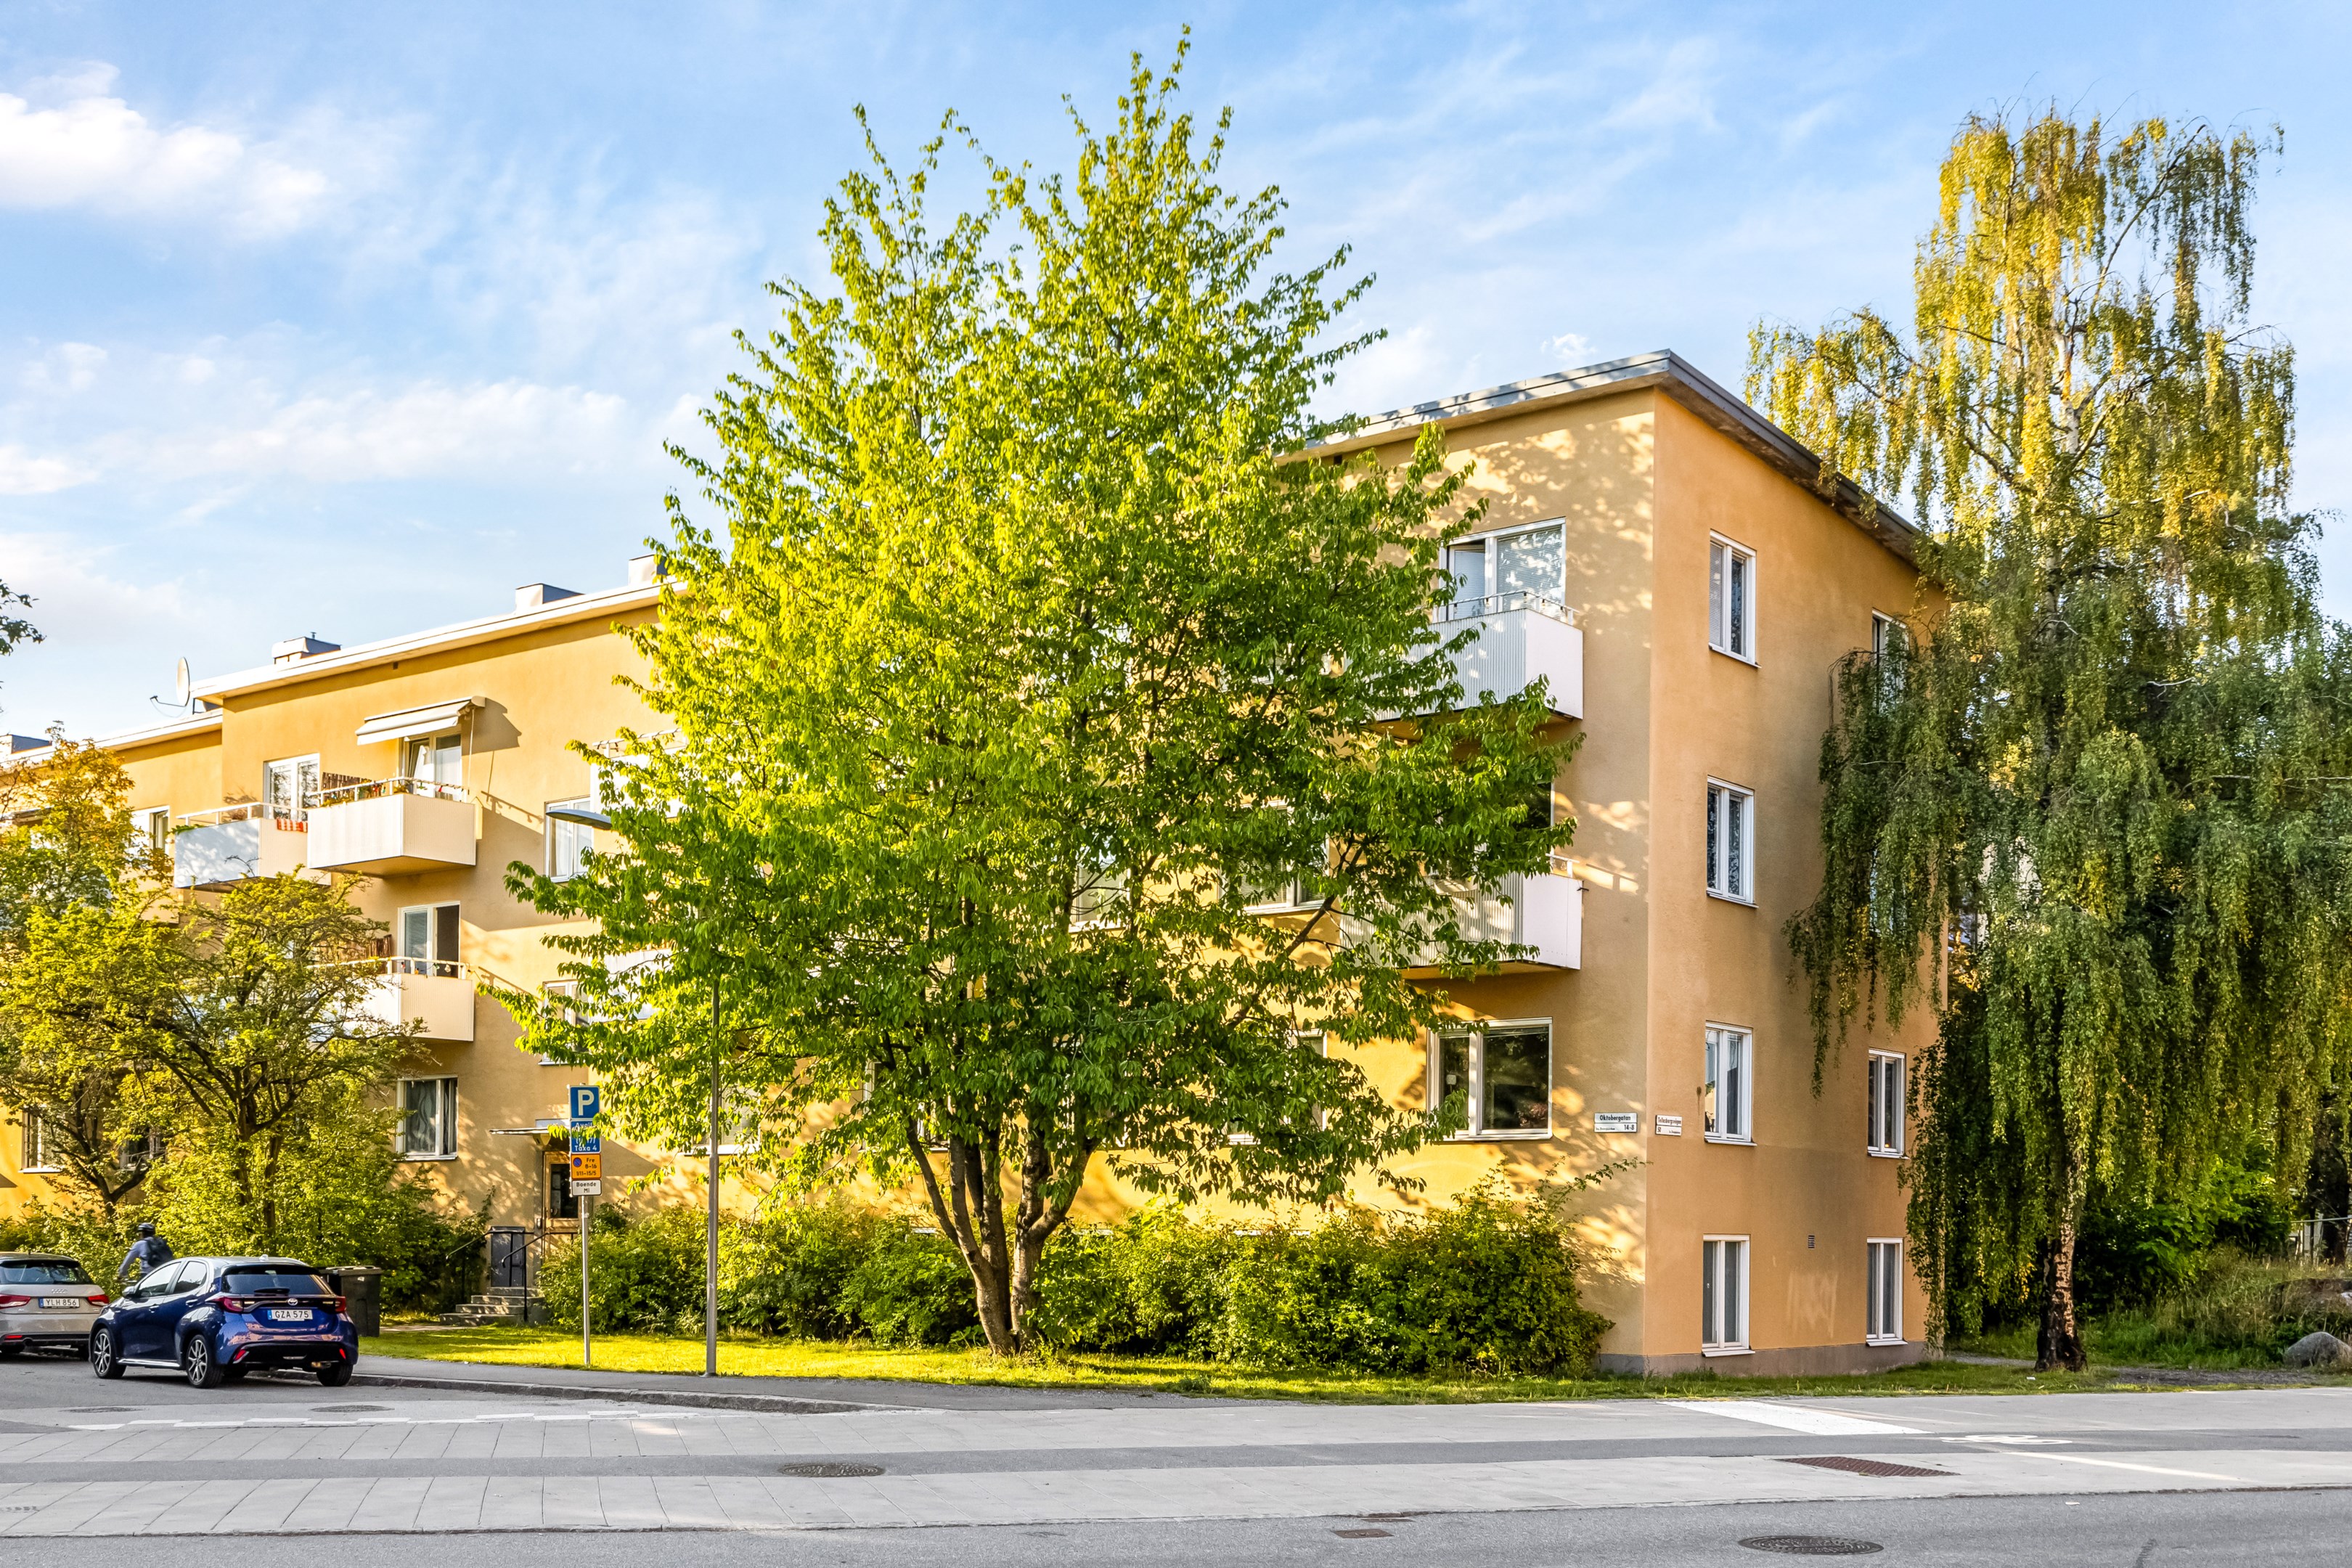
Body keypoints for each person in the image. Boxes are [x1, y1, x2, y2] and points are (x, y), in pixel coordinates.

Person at [116, 1221, 173, 1285]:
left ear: (142, 1233)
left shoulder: (140, 1244)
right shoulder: (161, 1242)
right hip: (166, 1275)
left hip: (148, 1276)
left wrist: (121, 1275)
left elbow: (128, 1261)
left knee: (136, 1290)